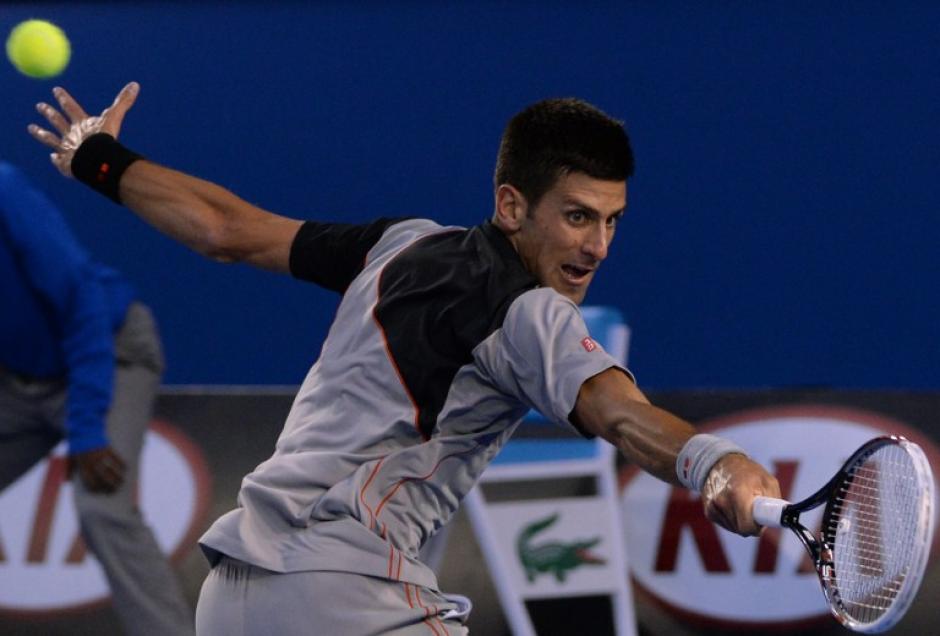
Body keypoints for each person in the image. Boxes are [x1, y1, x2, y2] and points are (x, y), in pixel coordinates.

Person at [28, 83, 781, 636]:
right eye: (578, 216)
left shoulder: (402, 243)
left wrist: (99, 159)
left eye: (612, 221)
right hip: (344, 592)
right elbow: (619, 414)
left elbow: (227, 231)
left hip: (232, 599)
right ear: (511, 205)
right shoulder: (529, 311)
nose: (597, 247)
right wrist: (714, 464)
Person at [0, 160, 194, 636]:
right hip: (18, 382)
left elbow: (81, 299)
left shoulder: (4, 189)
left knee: (103, 509)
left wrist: (87, 427)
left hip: (111, 353)